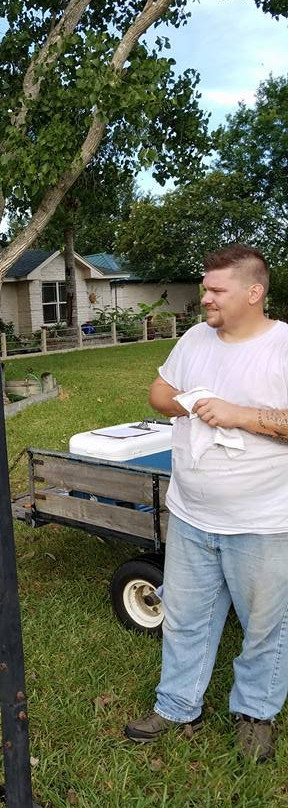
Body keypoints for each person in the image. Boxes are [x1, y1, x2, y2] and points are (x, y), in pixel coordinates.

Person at [124, 244, 288, 761]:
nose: (205, 297)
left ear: (253, 292)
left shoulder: (283, 347)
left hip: (262, 522)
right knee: (185, 616)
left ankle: (255, 713)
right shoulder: (195, 339)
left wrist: (239, 414)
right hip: (192, 514)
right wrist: (191, 401)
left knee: (264, 628)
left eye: (217, 289)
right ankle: (176, 706)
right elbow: (158, 393)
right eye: (205, 287)